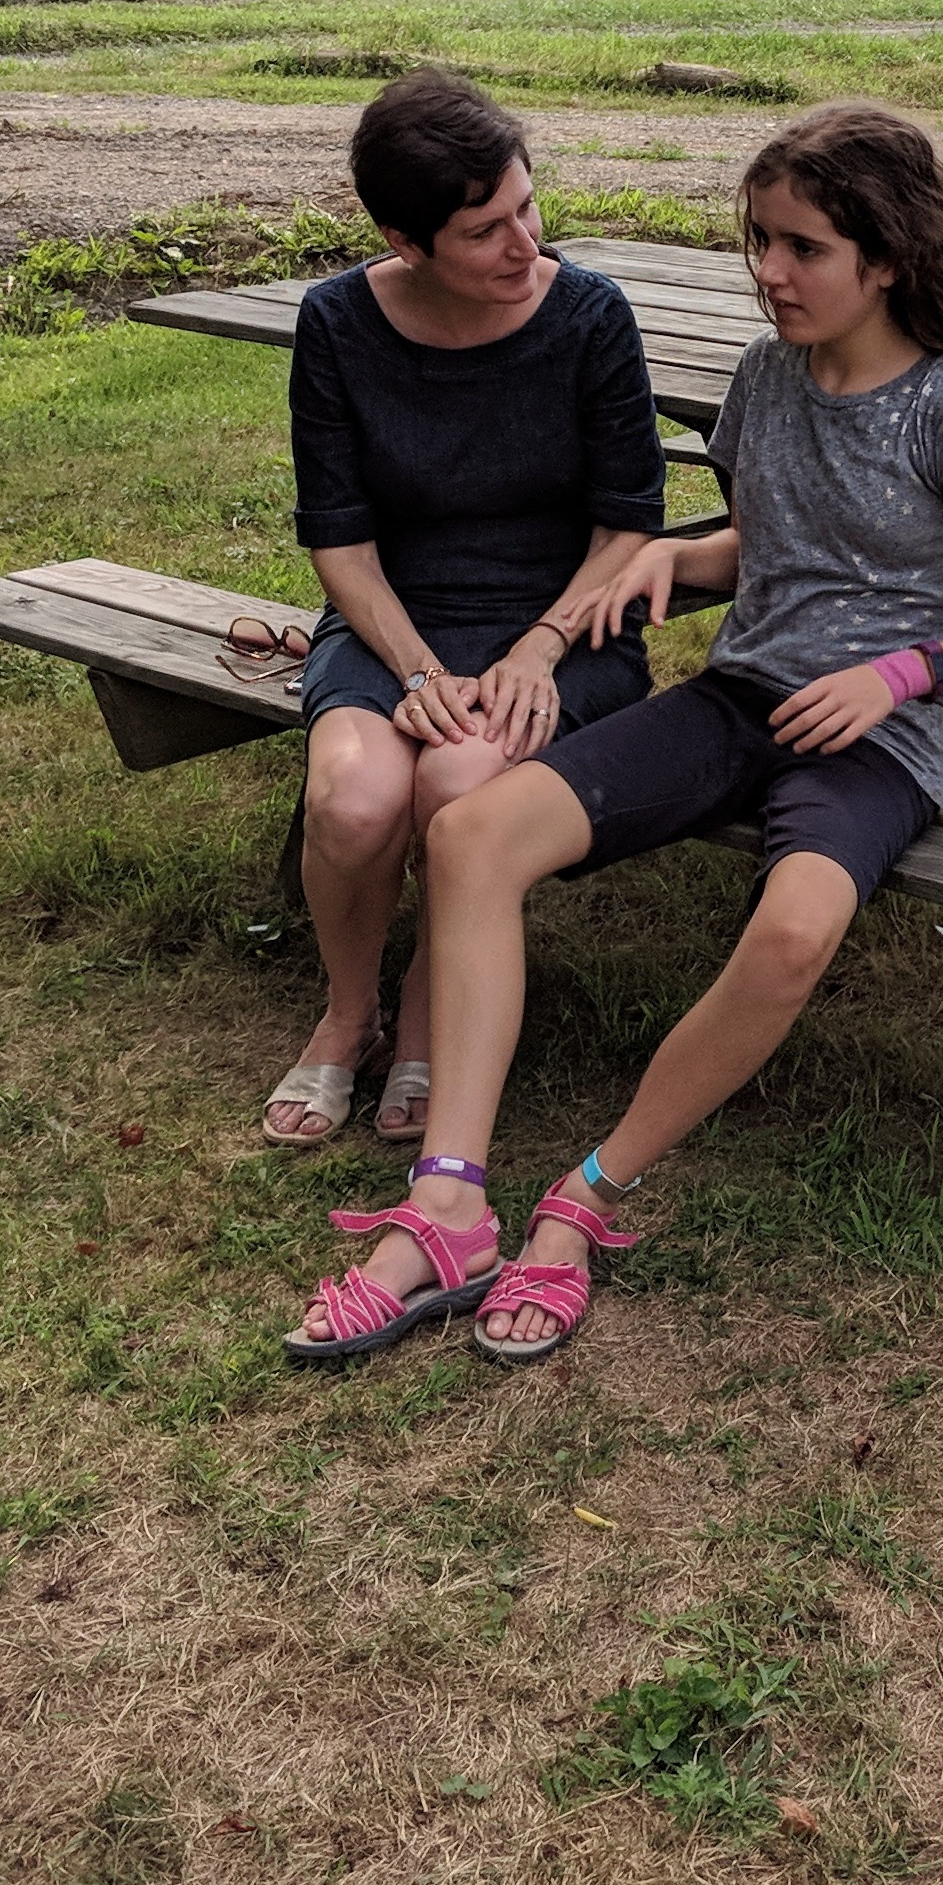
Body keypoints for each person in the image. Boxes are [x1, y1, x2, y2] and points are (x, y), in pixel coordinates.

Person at [284, 105, 943, 1367]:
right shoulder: (768, 377)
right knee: (474, 833)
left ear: (886, 257)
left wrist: (898, 676)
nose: (769, 271)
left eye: (802, 247)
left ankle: (586, 1197)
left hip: (878, 740)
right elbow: (772, 544)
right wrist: (668, 560)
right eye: (760, 240)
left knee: (795, 932)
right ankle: (449, 1207)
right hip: (739, 697)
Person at [261, 70, 666, 1151]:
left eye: (527, 208)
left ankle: (432, 1011)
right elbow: (340, 542)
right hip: (397, 620)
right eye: (484, 231)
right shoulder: (337, 323)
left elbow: (631, 526)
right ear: (404, 241)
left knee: (459, 782)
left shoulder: (590, 317)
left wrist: (541, 647)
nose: (525, 245)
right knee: (354, 800)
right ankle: (349, 1013)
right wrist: (417, 670)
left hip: (567, 625)